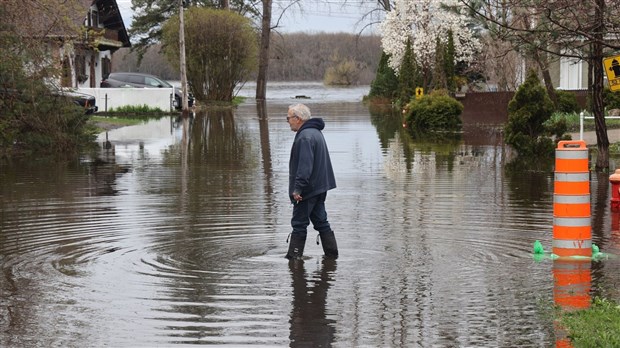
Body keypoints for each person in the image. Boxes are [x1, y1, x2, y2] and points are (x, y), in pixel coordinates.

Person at [285, 103, 338, 260]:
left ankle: (294, 260)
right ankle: (332, 256)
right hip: (320, 188)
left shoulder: (305, 137)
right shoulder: (315, 132)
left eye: (288, 118)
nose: (287, 121)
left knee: (299, 224)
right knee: (321, 222)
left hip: (307, 191)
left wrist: (297, 190)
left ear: (298, 118)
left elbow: (304, 167)